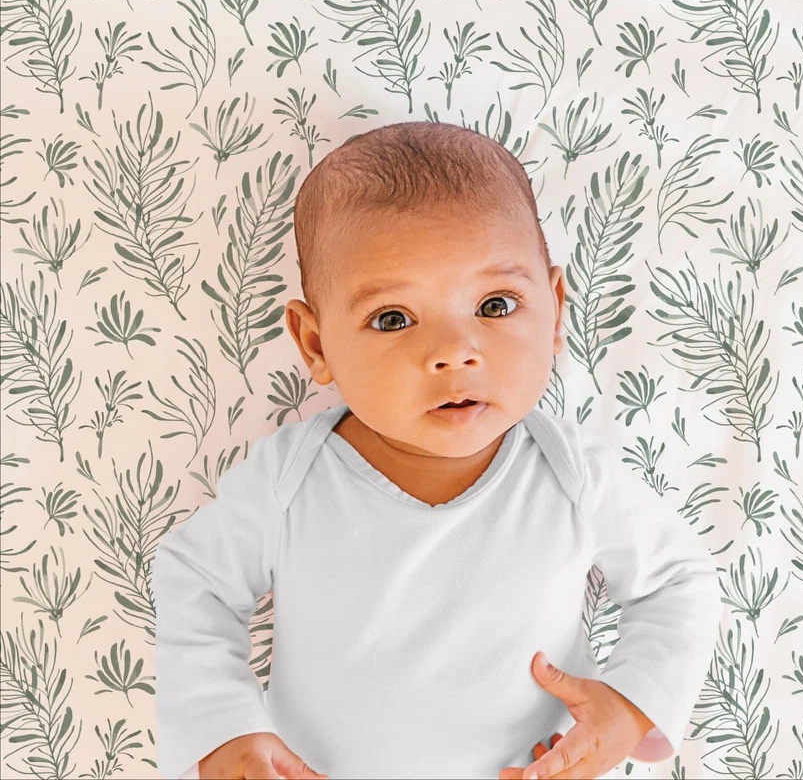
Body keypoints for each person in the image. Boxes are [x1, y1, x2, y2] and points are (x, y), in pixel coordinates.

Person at [153, 121, 723, 780]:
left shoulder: (571, 476)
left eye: (496, 304)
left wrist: (628, 705)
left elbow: (679, 581)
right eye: (393, 318)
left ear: (557, 311)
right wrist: (224, 729)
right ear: (315, 346)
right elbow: (194, 585)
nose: (454, 350)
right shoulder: (290, 481)